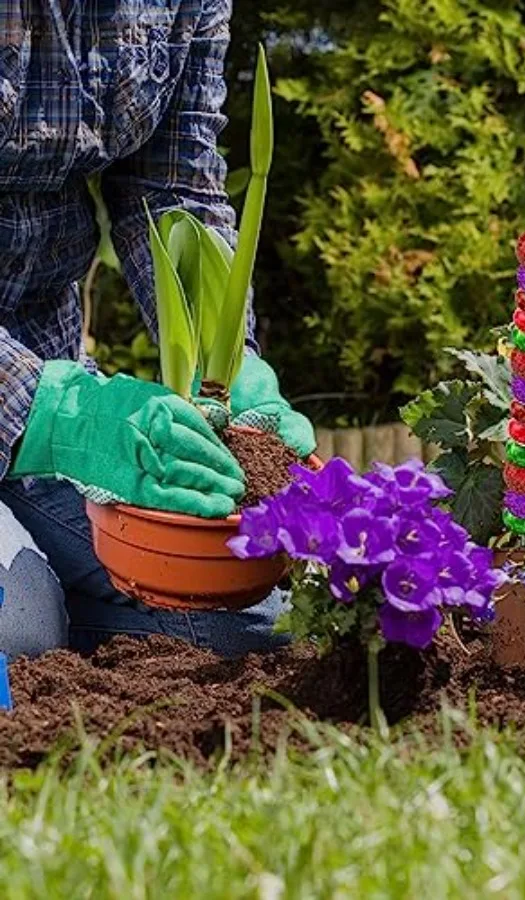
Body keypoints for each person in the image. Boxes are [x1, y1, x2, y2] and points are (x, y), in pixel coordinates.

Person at [0, 1, 315, 659]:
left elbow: (169, 186)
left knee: (233, 623)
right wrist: (55, 415)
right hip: (35, 401)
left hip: (42, 362)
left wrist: (224, 362)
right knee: (19, 625)